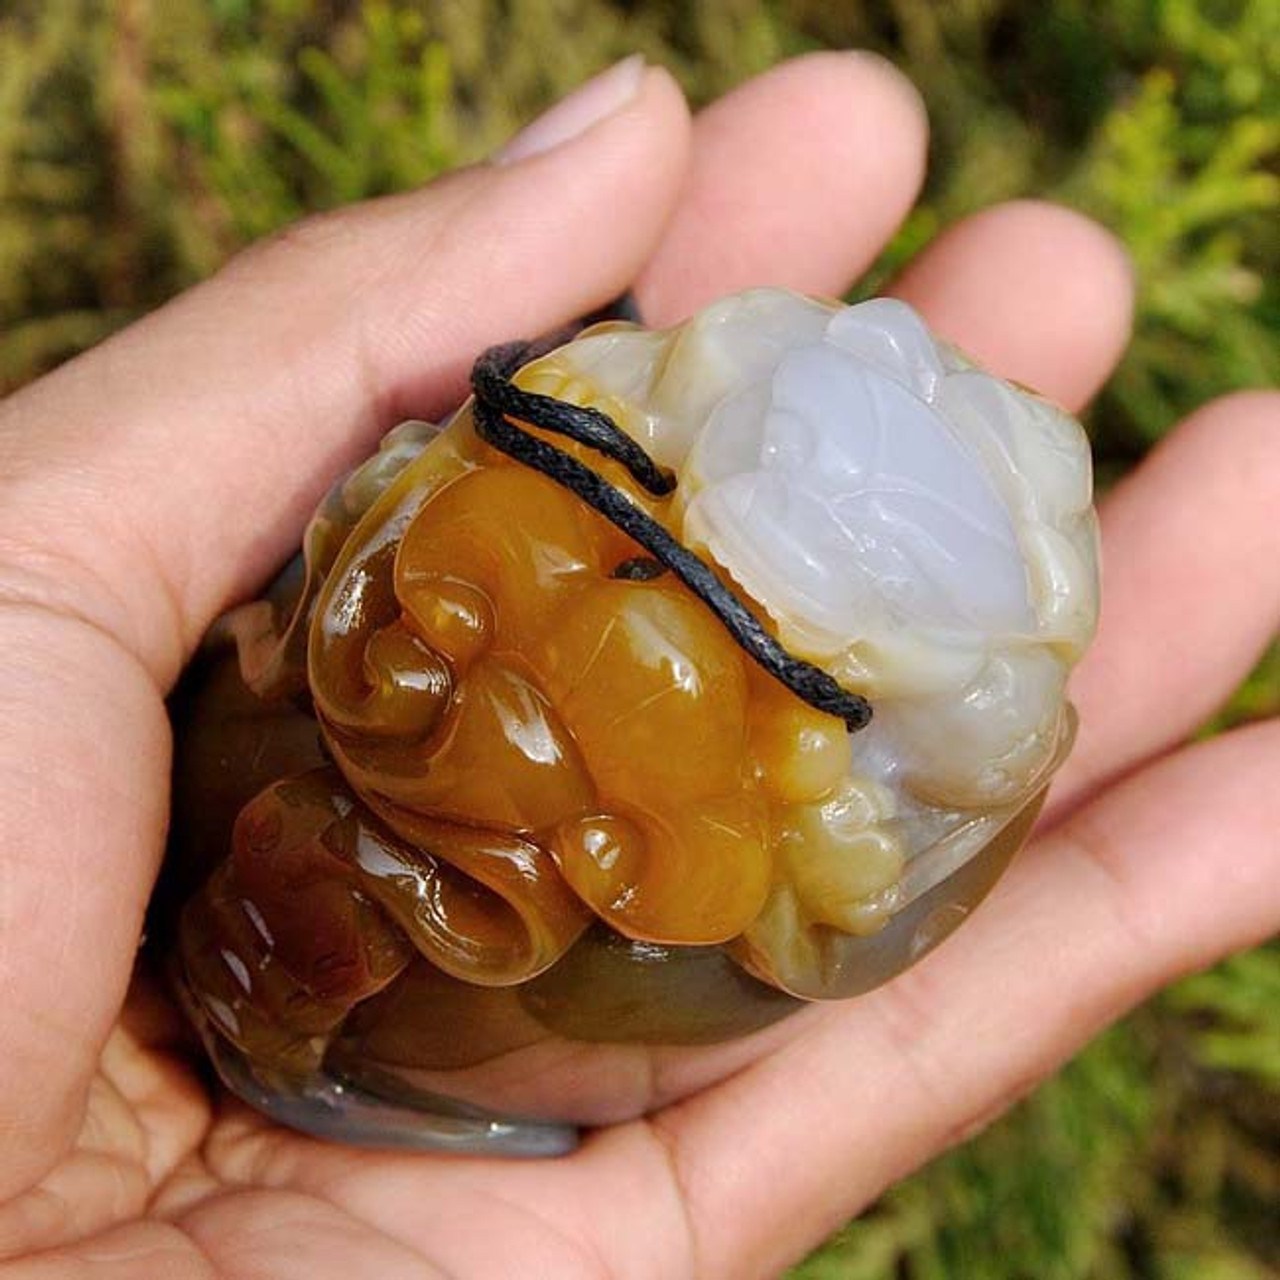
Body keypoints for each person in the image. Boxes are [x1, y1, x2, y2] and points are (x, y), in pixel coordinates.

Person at [0, 51, 1275, 1280]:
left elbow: (827, 908)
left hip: (519, 959)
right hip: (259, 786)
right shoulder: (522, 495)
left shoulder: (820, 791)